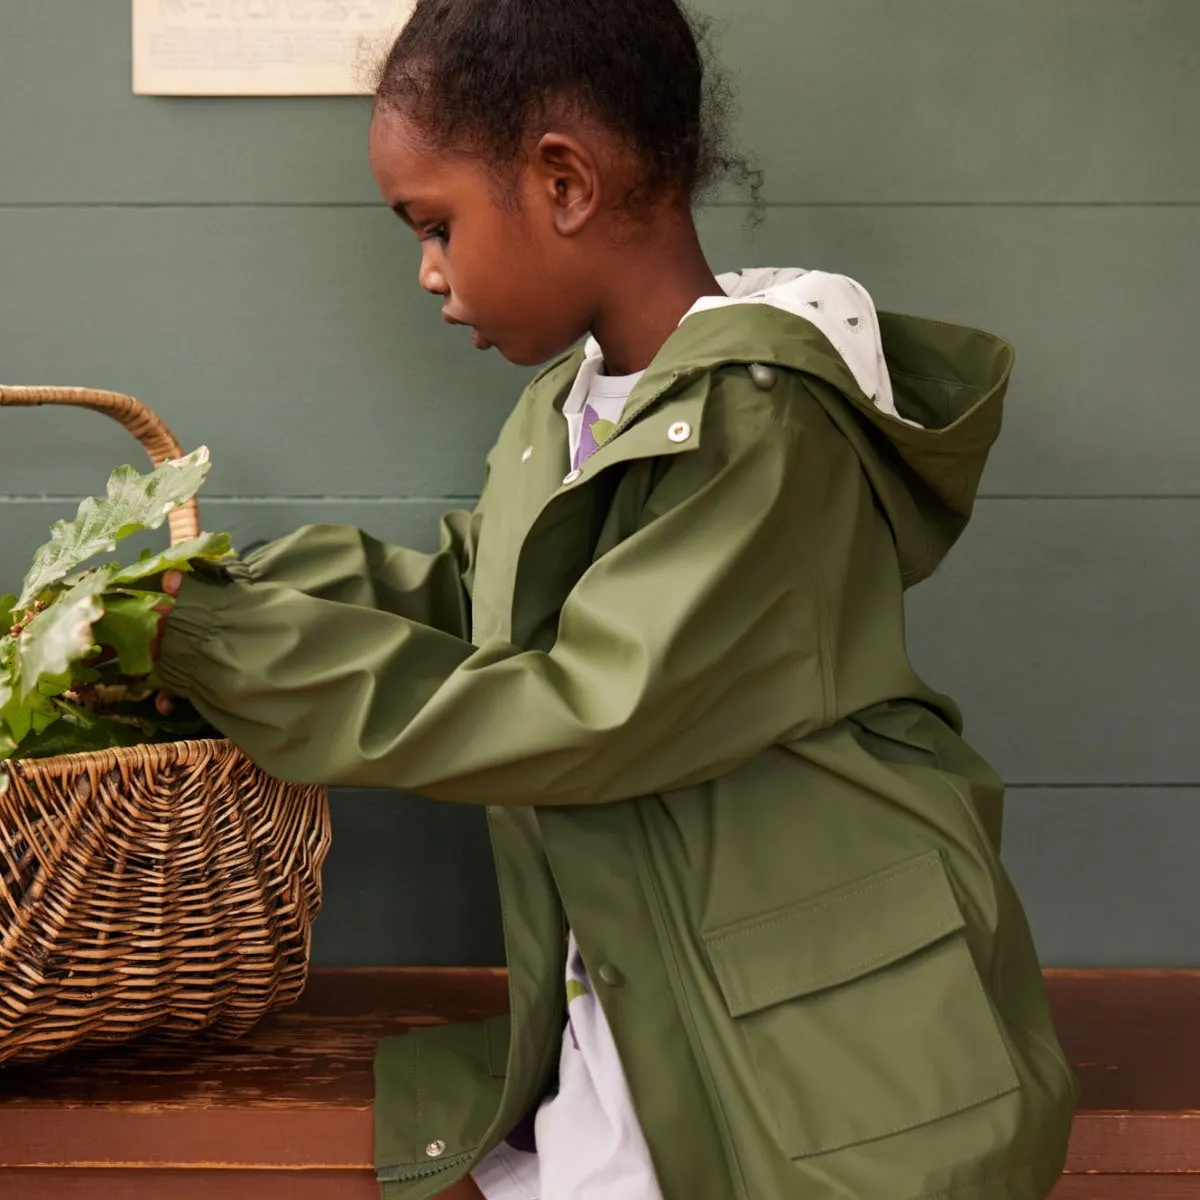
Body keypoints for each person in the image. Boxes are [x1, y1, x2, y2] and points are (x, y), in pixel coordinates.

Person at [155, 1, 1079, 1196]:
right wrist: (211, 594)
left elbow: (589, 709)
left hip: (830, 1067)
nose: (428, 275)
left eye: (435, 226)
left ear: (564, 183)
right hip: (643, 1036)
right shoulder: (569, 410)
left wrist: (225, 646)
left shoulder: (764, 423)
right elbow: (476, 594)